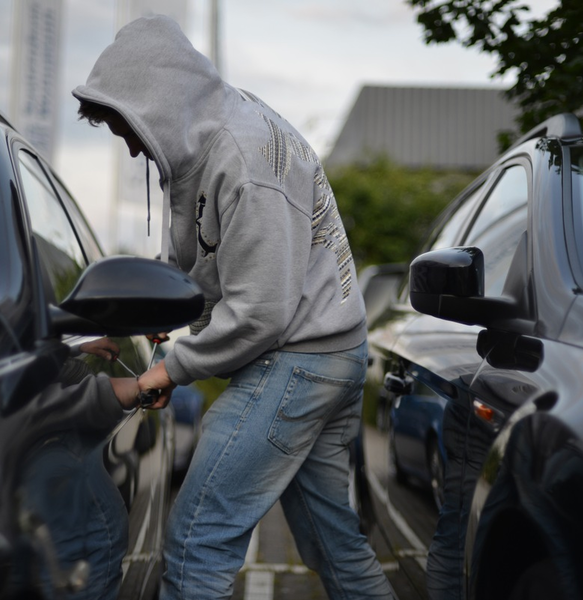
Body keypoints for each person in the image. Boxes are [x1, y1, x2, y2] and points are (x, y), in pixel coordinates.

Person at [72, 15, 395, 600]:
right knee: (332, 545)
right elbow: (199, 266)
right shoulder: (205, 141)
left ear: (158, 102)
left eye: (128, 128)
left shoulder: (245, 160)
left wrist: (166, 372)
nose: (131, 145)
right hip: (326, 354)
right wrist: (132, 318)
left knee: (198, 542)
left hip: (297, 361)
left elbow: (261, 311)